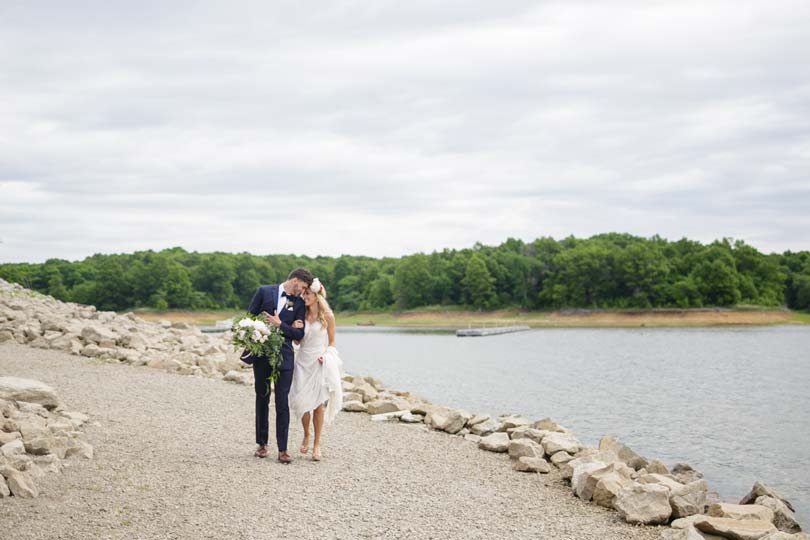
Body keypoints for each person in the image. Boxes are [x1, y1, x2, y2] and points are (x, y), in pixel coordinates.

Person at [245, 268, 313, 463]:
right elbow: (248, 318)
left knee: (282, 402)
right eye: (303, 287)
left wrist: (280, 325)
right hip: (262, 355)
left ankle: (283, 450)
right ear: (295, 280)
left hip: (284, 358)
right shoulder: (264, 291)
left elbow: (298, 335)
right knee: (262, 397)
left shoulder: (299, 303)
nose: (303, 291)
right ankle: (262, 444)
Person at [289, 277, 342, 461]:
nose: (304, 297)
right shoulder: (300, 314)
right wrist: (293, 328)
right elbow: (297, 341)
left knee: (318, 406)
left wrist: (327, 356)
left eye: (307, 294)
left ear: (317, 296)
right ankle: (306, 434)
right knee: (303, 404)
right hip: (303, 361)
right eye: (303, 294)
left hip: (319, 361)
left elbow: (332, 341)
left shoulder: (328, 316)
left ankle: (317, 444)